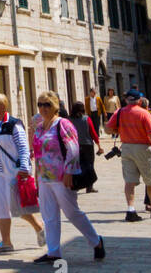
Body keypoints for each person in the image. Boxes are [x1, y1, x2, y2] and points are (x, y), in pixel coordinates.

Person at [31, 92, 104, 263]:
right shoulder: (40, 127)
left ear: (55, 105)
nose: (43, 108)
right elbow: (38, 153)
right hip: (44, 177)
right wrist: (36, 176)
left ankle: (96, 241)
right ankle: (54, 251)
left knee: (72, 212)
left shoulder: (63, 124)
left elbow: (73, 149)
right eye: (40, 104)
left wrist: (70, 171)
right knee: (49, 215)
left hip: (62, 176)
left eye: (47, 104)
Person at [0, 92, 45, 253]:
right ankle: (6, 242)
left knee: (17, 205)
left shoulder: (13, 124)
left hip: (13, 171)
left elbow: (23, 148)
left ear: (2, 107)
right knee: (0, 206)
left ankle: (39, 227)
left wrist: (24, 168)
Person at [106, 89, 151, 220]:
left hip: (126, 148)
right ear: (139, 100)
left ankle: (131, 210)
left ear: (127, 100)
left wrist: (119, 129)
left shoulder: (119, 112)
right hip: (143, 148)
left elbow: (107, 128)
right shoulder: (144, 113)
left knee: (129, 181)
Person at [67, 101, 103, 194]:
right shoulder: (86, 119)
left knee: (76, 165)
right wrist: (99, 145)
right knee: (89, 165)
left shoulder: (68, 120)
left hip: (74, 146)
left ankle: (75, 185)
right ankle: (89, 186)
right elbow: (93, 133)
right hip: (87, 145)